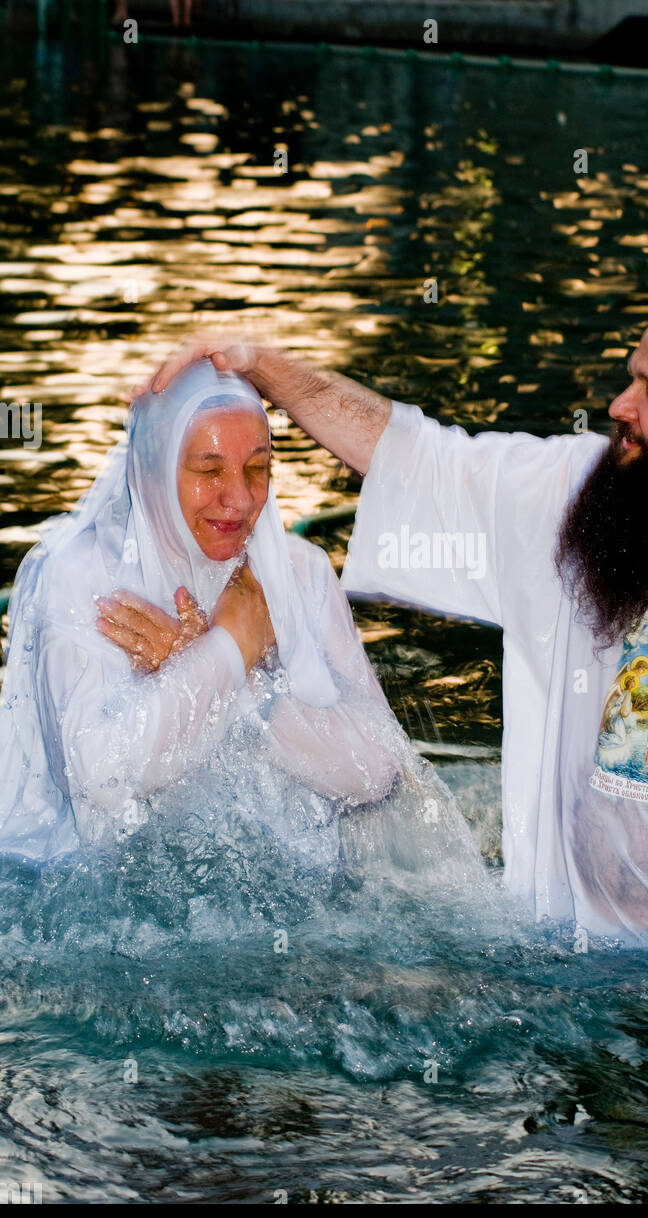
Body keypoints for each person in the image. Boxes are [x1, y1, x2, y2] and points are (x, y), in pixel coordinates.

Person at [146, 300, 648, 947]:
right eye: (629, 379)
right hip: (581, 960)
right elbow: (411, 455)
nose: (620, 406)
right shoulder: (585, 495)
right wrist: (260, 363)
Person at [0, 360, 420, 869]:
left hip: (283, 895)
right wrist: (231, 651)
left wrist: (234, 678)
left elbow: (377, 771)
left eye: (258, 468)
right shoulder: (82, 576)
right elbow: (103, 781)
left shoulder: (297, 573)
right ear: (153, 470)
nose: (240, 499)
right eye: (210, 470)